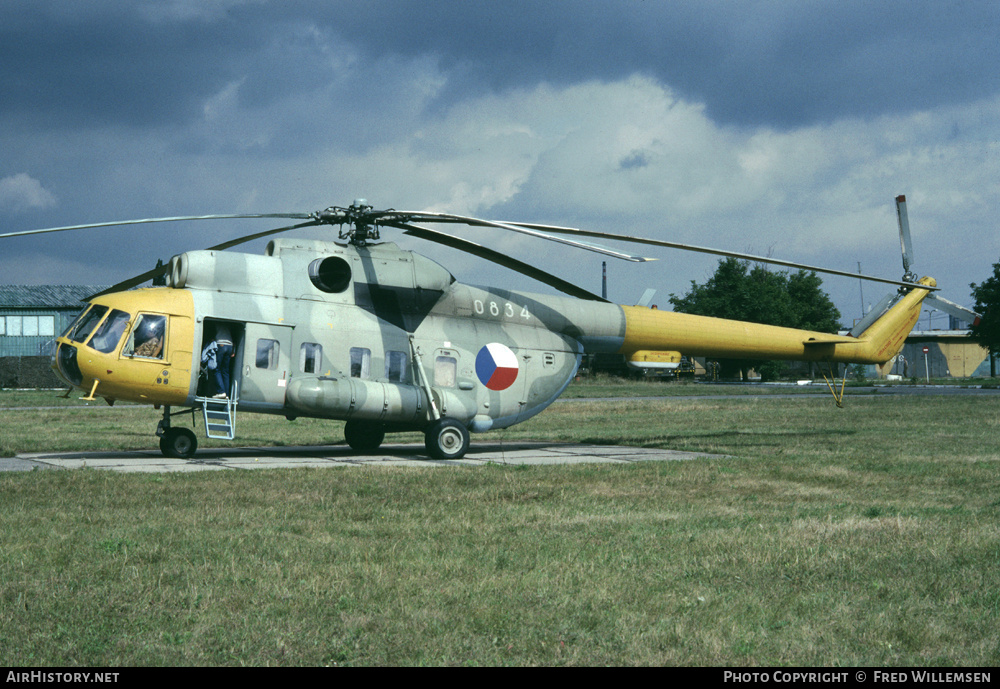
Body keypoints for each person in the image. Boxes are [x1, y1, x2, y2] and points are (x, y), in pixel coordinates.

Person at [212, 322, 234, 398]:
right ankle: (227, 394)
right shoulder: (229, 322)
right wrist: (233, 350)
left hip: (220, 344)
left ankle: (221, 391)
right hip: (230, 345)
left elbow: (212, 333)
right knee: (225, 371)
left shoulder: (217, 320)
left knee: (216, 369)